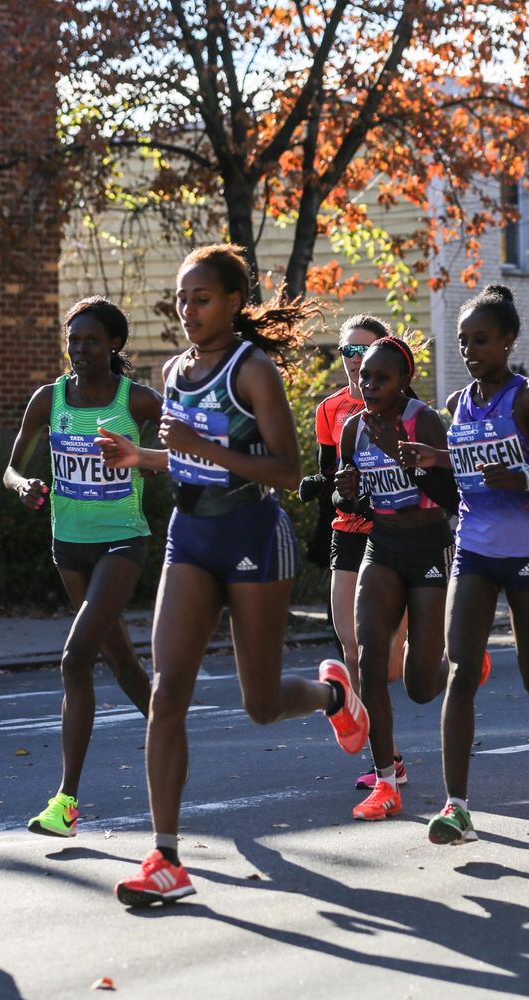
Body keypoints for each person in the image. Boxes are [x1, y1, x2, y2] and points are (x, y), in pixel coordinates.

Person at [96, 244, 369, 905]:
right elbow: (189, 461)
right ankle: (165, 857)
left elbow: (284, 468)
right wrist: (146, 456)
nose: (189, 309)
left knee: (260, 703)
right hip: (190, 535)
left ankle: (334, 696)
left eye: (203, 298)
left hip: (253, 532)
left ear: (232, 304)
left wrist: (202, 448)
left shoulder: (254, 373)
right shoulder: (176, 370)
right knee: (167, 695)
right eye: (182, 299)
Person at [397, 284, 529, 844]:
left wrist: (528, 477)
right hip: (474, 550)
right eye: (462, 342)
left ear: (507, 340)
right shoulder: (458, 404)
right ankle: (456, 806)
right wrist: (435, 457)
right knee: (461, 671)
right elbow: (465, 461)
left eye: (481, 340)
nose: (470, 350)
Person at [3, 296, 158, 838]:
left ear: (114, 344)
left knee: (76, 658)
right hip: (67, 546)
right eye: (73, 341)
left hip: (122, 542)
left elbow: (173, 461)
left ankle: (65, 801)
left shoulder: (137, 402)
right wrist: (24, 485)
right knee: (122, 663)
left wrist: (136, 456)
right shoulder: (49, 399)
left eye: (92, 340)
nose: (81, 350)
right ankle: (171, 734)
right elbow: (10, 466)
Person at [335, 337, 460, 821]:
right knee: (369, 656)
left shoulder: (422, 421)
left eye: (380, 378)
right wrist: (344, 494)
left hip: (429, 547)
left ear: (403, 381)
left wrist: (404, 455)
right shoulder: (352, 428)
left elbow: (453, 494)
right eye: (364, 376)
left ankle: (460, 662)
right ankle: (385, 780)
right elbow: (352, 499)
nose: (368, 386)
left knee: (420, 687)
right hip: (382, 546)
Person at [302, 315, 407, 791]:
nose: (354, 363)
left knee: (391, 661)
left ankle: (452, 656)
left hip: (397, 532)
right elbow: (334, 477)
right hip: (348, 531)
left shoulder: (408, 409)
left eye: (363, 352)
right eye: (346, 352)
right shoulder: (330, 410)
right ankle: (386, 759)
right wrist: (323, 488)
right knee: (351, 644)